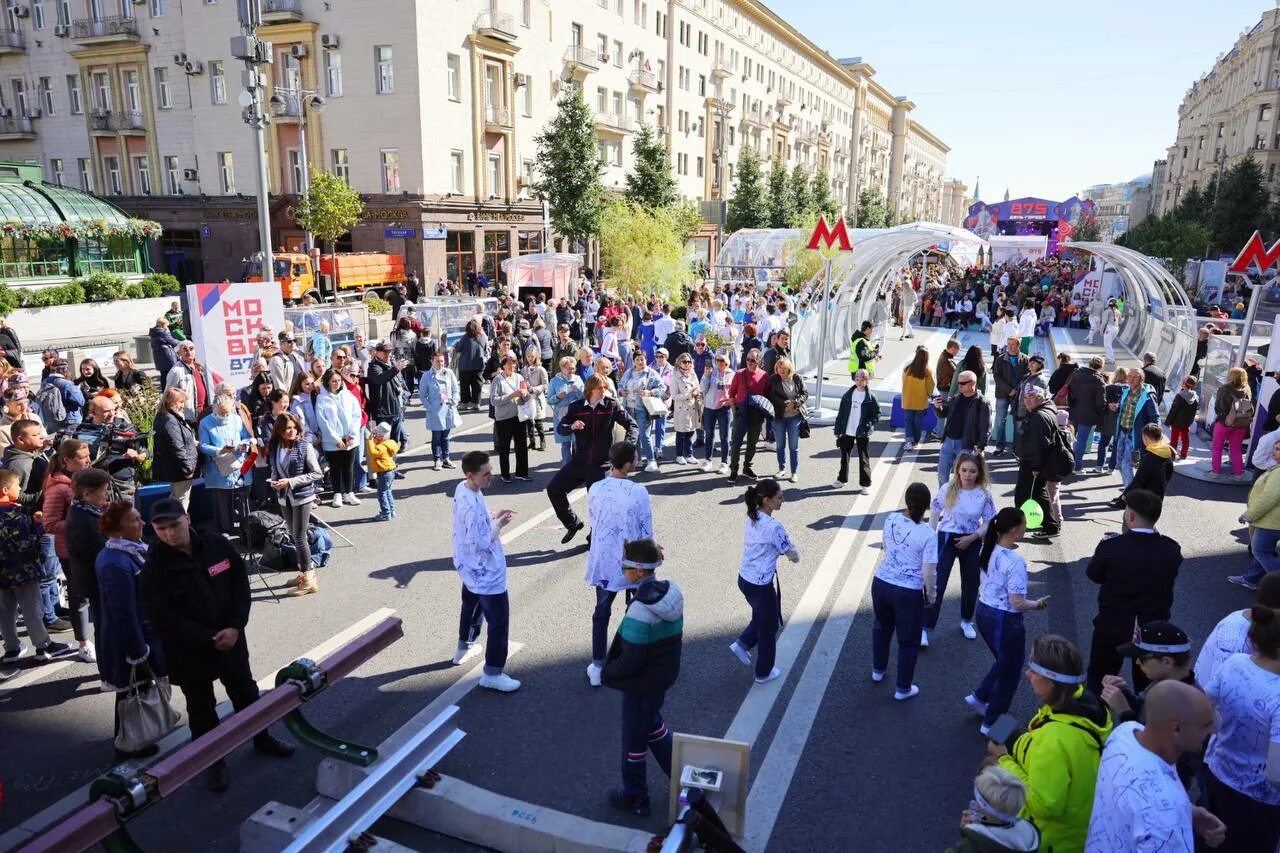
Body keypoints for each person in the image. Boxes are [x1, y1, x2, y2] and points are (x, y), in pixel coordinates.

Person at [143, 499, 295, 792]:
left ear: (187, 519)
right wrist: (210, 637)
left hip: (231, 638)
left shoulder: (215, 545)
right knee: (201, 710)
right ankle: (212, 763)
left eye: (174, 526)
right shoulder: (155, 567)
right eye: (161, 529)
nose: (169, 534)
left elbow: (240, 584)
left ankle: (261, 737)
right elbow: (162, 617)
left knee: (246, 693)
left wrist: (236, 626)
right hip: (190, 651)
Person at [987, 635, 1112, 853]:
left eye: (1033, 671)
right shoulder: (1088, 704)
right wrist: (1019, 742)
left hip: (1050, 841)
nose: (1027, 675)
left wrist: (1004, 759)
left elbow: (1045, 805)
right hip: (1080, 828)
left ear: (1051, 681)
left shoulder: (1054, 740)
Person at [1085, 680, 1224, 851]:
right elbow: (1155, 809)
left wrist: (1187, 811)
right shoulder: (1165, 823)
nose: (1212, 731)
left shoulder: (1125, 733)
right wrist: (1176, 812)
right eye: (1205, 725)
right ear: (1176, 729)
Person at [601, 537, 682, 817]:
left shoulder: (639, 609)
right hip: (660, 679)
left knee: (633, 742)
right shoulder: (672, 593)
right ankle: (681, 776)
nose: (621, 569)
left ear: (637, 571)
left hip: (640, 684)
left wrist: (608, 671)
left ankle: (635, 796)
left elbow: (631, 659)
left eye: (624, 565)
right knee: (653, 725)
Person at [1084, 489, 1182, 694]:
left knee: (1101, 676)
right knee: (1149, 682)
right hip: (1154, 627)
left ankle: (1097, 717)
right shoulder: (1171, 549)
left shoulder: (1111, 547)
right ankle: (1144, 718)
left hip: (1113, 623)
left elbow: (1094, 575)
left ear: (1130, 516)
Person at [1201, 603, 1280, 851]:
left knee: (1209, 839)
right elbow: (1276, 774)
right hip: (1257, 799)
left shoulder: (1235, 662)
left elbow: (1205, 705)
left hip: (1216, 772)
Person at [94, 500, 168, 758]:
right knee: (129, 693)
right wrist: (139, 650)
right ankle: (127, 742)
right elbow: (123, 612)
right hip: (129, 642)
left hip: (142, 634)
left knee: (137, 689)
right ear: (116, 530)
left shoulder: (129, 552)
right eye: (135, 520)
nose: (142, 524)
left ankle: (134, 737)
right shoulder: (116, 562)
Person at [965, 507, 1048, 734]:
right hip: (1004, 620)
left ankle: (980, 697)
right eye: (1023, 524)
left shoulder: (988, 547)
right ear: (1014, 530)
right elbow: (1017, 603)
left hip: (983, 612)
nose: (1025, 527)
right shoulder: (1015, 562)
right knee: (1010, 672)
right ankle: (992, 724)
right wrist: (1038, 604)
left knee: (1004, 661)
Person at [451, 451, 521, 692]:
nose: (491, 476)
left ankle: (464, 646)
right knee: (499, 620)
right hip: (485, 571)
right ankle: (493, 672)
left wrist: (492, 515)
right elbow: (480, 542)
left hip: (467, 566)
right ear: (470, 475)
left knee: (471, 605)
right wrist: (499, 524)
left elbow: (475, 522)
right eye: (486, 473)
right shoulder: (469, 500)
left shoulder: (464, 488)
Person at [584, 442, 653, 687]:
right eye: (635, 458)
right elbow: (646, 530)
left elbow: (594, 518)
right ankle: (630, 659)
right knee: (636, 612)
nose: (637, 461)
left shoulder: (595, 488)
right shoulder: (638, 491)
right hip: (633, 559)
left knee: (601, 611)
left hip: (604, 558)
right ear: (626, 464)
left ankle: (597, 664)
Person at [547, 375, 638, 544]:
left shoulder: (611, 405)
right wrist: (571, 426)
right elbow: (561, 427)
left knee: (599, 506)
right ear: (590, 390)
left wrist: (627, 446)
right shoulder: (576, 407)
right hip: (579, 462)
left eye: (605, 388)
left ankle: (594, 534)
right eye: (600, 388)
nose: (603, 391)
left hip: (601, 465)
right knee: (554, 489)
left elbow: (632, 425)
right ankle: (572, 523)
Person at [870, 482, 937, 700]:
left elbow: (886, 547)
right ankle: (903, 688)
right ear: (926, 506)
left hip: (881, 582)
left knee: (881, 628)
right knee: (908, 641)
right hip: (908, 591)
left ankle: (878, 670)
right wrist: (932, 595)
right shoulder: (927, 534)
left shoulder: (891, 519)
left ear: (906, 501)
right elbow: (929, 572)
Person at [729, 478, 799, 685]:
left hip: (745, 579)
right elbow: (791, 552)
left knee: (762, 616)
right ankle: (764, 672)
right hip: (761, 584)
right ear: (767, 500)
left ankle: (742, 643)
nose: (782, 500)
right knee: (769, 627)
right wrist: (795, 557)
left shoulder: (753, 516)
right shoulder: (774, 526)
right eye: (779, 497)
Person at [0, 469, 70, 672]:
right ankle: (43, 646)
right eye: (17, 487)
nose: (20, 490)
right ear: (5, 490)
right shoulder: (15, 514)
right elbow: (25, 543)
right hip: (24, 572)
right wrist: (38, 527)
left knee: (6, 612)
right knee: (32, 610)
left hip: (2, 576)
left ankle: (11, 649)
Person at [925, 452, 996, 646]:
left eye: (972, 471)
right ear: (957, 470)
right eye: (964, 470)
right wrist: (931, 537)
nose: (967, 474)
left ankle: (966, 621)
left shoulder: (984, 494)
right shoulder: (947, 488)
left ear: (979, 472)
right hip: (947, 538)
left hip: (972, 541)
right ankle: (925, 627)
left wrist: (972, 538)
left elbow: (988, 522)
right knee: (937, 583)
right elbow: (935, 511)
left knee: (971, 584)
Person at [41, 439, 96, 660]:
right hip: (72, 550)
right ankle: (83, 642)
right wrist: (84, 522)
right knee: (79, 597)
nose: (89, 460)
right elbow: (50, 523)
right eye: (83, 458)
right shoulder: (58, 487)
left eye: (88, 455)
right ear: (67, 461)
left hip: (92, 545)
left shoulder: (82, 479)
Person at [266, 412, 324, 595]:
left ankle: (309, 578)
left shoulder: (304, 446)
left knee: (299, 536)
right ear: (280, 431)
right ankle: (302, 572)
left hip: (303, 496)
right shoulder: (275, 447)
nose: (291, 432)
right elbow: (275, 469)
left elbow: (317, 473)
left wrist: (290, 481)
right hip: (284, 497)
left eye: (293, 428)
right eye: (287, 429)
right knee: (293, 535)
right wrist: (275, 480)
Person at [945, 765, 1040, 853]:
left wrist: (970, 833)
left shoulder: (972, 846)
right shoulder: (1029, 839)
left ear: (984, 809)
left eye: (977, 799)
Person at [197, 393, 253, 535]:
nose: (225, 415)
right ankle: (225, 527)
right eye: (222, 412)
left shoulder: (236, 419)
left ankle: (245, 526)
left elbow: (246, 437)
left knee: (242, 496)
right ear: (215, 408)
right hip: (218, 466)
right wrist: (219, 450)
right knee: (222, 499)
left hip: (238, 462)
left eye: (227, 412)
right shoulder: (205, 422)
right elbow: (203, 445)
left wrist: (244, 444)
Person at [1231, 438, 1280, 590]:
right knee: (1263, 552)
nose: (1274, 451)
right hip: (1271, 520)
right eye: (1275, 447)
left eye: (1278, 449)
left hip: (1270, 521)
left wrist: (1249, 515)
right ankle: (1251, 579)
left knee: (1259, 550)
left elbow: (1270, 497)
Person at [1013, 386, 1062, 539]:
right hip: (1035, 462)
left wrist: (1035, 466)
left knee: (1029, 494)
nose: (1027, 401)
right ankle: (1043, 524)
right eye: (1025, 397)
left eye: (1031, 397)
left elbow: (1038, 444)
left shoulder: (1039, 416)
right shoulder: (1045, 410)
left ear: (1041, 397)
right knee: (1034, 493)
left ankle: (1050, 526)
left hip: (1034, 463)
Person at [935, 370, 992, 487]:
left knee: (962, 480)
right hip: (948, 441)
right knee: (942, 474)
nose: (959, 385)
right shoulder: (956, 398)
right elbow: (943, 414)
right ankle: (943, 500)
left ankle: (958, 502)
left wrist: (981, 446)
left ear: (972, 384)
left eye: (962, 383)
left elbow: (986, 427)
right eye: (958, 382)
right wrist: (938, 407)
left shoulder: (982, 403)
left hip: (966, 445)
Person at [315, 368, 362, 508]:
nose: (337, 383)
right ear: (327, 383)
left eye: (339, 380)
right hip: (332, 441)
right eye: (333, 381)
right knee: (335, 468)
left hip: (350, 440)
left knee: (348, 467)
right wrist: (336, 439)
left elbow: (356, 415)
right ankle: (337, 493)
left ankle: (349, 492)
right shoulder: (322, 399)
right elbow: (323, 421)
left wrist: (352, 434)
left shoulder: (348, 396)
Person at [833, 369, 881, 492]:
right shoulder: (848, 395)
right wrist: (838, 429)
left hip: (862, 432)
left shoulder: (871, 397)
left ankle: (865, 485)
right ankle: (842, 479)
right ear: (855, 380)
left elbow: (877, 414)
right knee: (844, 457)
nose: (859, 382)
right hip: (847, 430)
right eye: (857, 380)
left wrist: (868, 425)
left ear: (867, 381)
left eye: (862, 380)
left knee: (863, 458)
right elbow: (841, 413)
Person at [618, 351, 666, 473]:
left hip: (642, 409)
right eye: (638, 359)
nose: (640, 362)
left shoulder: (651, 373)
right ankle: (638, 459)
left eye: (643, 359)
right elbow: (620, 386)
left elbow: (662, 388)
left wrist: (650, 392)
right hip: (629, 407)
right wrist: (621, 392)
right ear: (634, 361)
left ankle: (651, 460)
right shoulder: (629, 372)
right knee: (634, 434)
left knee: (644, 435)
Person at [1114, 366, 1160, 489]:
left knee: (1127, 463)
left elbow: (1154, 417)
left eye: (1136, 376)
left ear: (1142, 379)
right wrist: (1117, 408)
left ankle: (1129, 494)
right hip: (1122, 432)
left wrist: (1154, 439)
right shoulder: (1125, 391)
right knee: (1119, 462)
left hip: (1135, 435)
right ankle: (1128, 489)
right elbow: (1124, 409)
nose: (1131, 379)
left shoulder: (1147, 395)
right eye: (1129, 376)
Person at [1110, 423, 1173, 508]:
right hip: (1157, 499)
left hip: (1143, 501)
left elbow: (1138, 481)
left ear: (1146, 438)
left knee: (1130, 520)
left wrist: (1124, 498)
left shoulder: (1149, 458)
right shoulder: (1168, 455)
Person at [490, 353, 530, 484]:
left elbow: (526, 396)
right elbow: (494, 400)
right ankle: (505, 474)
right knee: (505, 448)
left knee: (522, 446)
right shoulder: (497, 380)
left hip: (519, 416)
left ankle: (522, 473)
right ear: (503, 366)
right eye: (509, 364)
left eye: (514, 364)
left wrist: (525, 394)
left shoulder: (519, 377)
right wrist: (511, 395)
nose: (512, 366)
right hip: (504, 419)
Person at [768, 357, 807, 483]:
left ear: (789, 368)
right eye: (779, 368)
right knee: (780, 445)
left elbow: (804, 393)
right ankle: (781, 469)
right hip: (779, 417)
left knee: (793, 446)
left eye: (784, 368)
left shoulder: (797, 378)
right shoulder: (773, 379)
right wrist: (785, 404)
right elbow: (771, 396)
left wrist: (795, 403)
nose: (781, 370)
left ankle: (794, 472)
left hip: (794, 417)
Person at [421, 351, 461, 471]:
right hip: (435, 410)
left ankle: (446, 458)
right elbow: (423, 395)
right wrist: (429, 407)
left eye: (442, 361)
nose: (440, 363)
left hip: (447, 408)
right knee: (436, 436)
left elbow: (455, 388)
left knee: (446, 436)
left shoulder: (449, 373)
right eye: (438, 361)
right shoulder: (427, 376)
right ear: (432, 361)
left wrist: (454, 401)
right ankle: (437, 459)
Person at [365, 341, 409, 449]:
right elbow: (380, 378)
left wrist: (405, 396)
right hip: (383, 412)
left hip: (396, 410)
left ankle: (392, 462)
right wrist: (395, 369)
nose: (388, 354)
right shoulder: (373, 367)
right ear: (377, 353)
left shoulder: (391, 364)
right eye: (385, 352)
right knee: (383, 443)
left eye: (390, 352)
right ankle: (385, 464)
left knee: (394, 443)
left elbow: (400, 383)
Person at [1212, 366, 1253, 481]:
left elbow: (1218, 407)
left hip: (1224, 423)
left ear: (1231, 376)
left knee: (1217, 448)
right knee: (1235, 449)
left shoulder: (1224, 388)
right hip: (1241, 423)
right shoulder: (1247, 389)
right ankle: (1238, 474)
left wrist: (1223, 416)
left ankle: (1215, 473)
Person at [1067, 356, 1107, 473]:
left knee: (1069, 438)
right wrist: (1103, 411)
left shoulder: (1076, 373)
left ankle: (1064, 462)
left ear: (1089, 363)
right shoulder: (1099, 381)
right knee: (1081, 441)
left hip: (1073, 410)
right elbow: (1100, 403)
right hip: (1088, 415)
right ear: (1100, 367)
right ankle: (1077, 467)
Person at [700, 351, 735, 474]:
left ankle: (724, 462)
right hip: (709, 407)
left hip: (724, 408)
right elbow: (702, 389)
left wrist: (730, 401)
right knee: (709, 435)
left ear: (727, 362)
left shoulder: (731, 374)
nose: (719, 363)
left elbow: (734, 391)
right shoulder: (711, 372)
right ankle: (708, 460)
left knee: (724, 436)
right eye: (717, 360)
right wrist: (705, 376)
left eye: (722, 361)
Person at [992, 336, 1028, 455]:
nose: (1010, 346)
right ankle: (999, 446)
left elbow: (1026, 377)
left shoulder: (1025, 359)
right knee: (1000, 421)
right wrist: (1008, 390)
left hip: (1018, 395)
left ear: (1018, 345)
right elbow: (997, 376)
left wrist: (1016, 390)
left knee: (1017, 422)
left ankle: (1016, 448)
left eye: (1013, 344)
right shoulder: (1000, 359)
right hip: (1002, 394)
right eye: (1008, 344)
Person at [548, 356, 584, 467]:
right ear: (562, 368)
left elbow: (584, 397)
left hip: (576, 415)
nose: (571, 371)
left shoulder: (578, 379)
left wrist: (578, 391)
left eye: (573, 368)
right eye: (569, 368)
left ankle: (578, 468)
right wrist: (558, 397)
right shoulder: (554, 381)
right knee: (565, 443)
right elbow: (549, 400)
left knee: (577, 443)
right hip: (562, 416)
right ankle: (567, 469)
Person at [669, 353, 702, 466]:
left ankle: (689, 454)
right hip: (681, 408)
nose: (687, 364)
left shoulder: (693, 374)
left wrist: (697, 392)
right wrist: (689, 395)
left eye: (689, 362)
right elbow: (674, 396)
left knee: (690, 432)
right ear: (679, 363)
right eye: (684, 362)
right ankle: (679, 455)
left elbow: (697, 386)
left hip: (693, 406)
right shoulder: (675, 377)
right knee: (681, 433)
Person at [165, 341, 209, 425]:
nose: (189, 352)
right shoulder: (176, 371)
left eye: (191, 349)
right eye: (185, 349)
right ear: (179, 353)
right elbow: (168, 396)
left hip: (204, 415)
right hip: (189, 419)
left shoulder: (200, 368)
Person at [900, 346, 935, 453]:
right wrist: (928, 395)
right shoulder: (927, 371)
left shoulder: (907, 368)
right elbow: (931, 386)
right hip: (921, 401)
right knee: (918, 422)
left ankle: (909, 441)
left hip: (908, 399)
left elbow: (903, 382)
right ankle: (916, 440)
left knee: (908, 421)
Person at [366, 421, 399, 523]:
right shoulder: (389, 444)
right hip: (391, 471)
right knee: (388, 491)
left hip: (384, 473)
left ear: (380, 436)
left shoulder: (381, 448)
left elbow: (373, 452)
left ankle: (385, 513)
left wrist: (370, 441)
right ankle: (391, 510)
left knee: (382, 493)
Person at [452, 319, 487, 412]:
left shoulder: (464, 338)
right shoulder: (482, 337)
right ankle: (476, 403)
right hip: (478, 365)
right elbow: (485, 347)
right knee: (477, 385)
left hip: (465, 365)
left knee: (465, 386)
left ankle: (465, 402)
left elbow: (459, 349)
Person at [520, 346, 549, 453]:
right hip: (527, 398)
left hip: (537, 398)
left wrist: (535, 389)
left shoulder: (540, 369)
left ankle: (542, 440)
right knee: (529, 422)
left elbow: (545, 384)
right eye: (528, 356)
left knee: (538, 421)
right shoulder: (523, 370)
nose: (530, 358)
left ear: (536, 356)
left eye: (532, 356)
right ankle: (532, 441)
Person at [1165, 376, 1199, 461]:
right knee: (1185, 439)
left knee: (1174, 439)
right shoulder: (1196, 397)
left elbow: (1173, 410)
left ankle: (1172, 455)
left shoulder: (1180, 396)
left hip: (1176, 422)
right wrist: (1190, 421)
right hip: (1186, 422)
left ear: (1184, 384)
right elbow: (1194, 411)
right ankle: (1184, 454)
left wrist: (1167, 422)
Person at [1100, 300, 1121, 365]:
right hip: (1116, 328)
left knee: (1107, 344)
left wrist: (1101, 330)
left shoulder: (1107, 311)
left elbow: (1104, 322)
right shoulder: (1118, 311)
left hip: (1110, 328)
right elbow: (1120, 321)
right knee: (1109, 344)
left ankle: (1111, 359)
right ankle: (1109, 357)